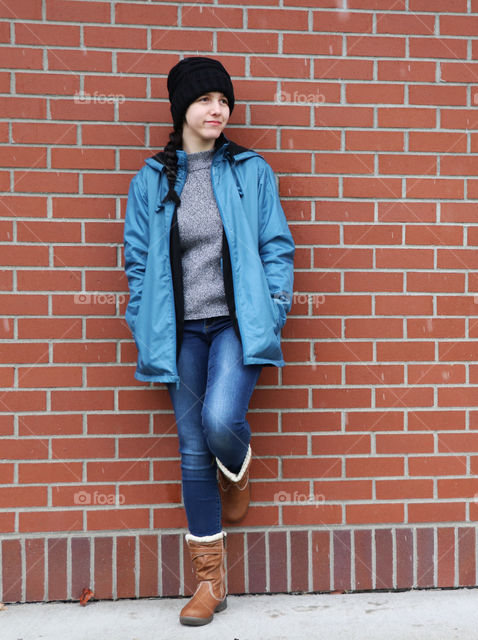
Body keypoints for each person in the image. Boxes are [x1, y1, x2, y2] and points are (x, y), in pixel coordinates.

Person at [122, 56, 295, 626]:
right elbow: (139, 261)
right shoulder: (152, 178)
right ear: (182, 110)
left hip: (235, 324)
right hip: (180, 331)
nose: (217, 109)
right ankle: (209, 584)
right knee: (193, 451)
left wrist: (272, 306)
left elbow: (275, 245)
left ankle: (239, 467)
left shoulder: (251, 170)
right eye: (205, 100)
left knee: (220, 422)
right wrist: (140, 319)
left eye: (223, 100)